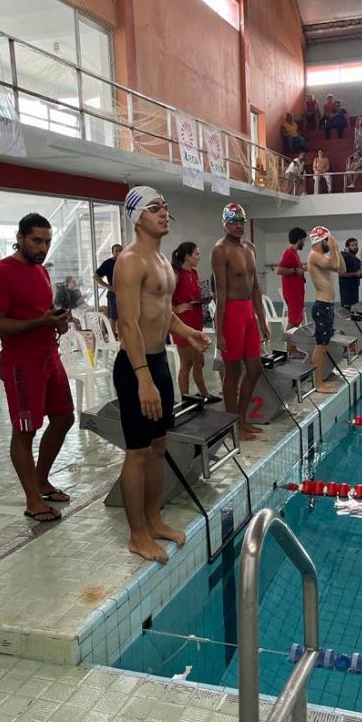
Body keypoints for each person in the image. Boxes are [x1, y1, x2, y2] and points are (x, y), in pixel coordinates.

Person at [113, 187, 211, 563]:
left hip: (158, 362)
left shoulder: (161, 262)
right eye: (154, 209)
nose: (164, 213)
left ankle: (154, 520)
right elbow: (128, 322)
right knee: (137, 453)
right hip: (136, 365)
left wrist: (188, 333)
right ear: (137, 216)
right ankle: (137, 535)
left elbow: (163, 313)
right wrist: (142, 377)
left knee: (158, 448)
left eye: (165, 208)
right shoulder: (130, 260)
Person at [0, 213, 75, 523]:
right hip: (22, 364)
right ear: (20, 237)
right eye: (37, 241)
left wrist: (56, 320)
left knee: (64, 418)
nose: (43, 248)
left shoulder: (41, 272)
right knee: (25, 431)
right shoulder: (0, 273)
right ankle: (33, 500)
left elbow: (42, 311)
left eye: (47, 242)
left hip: (49, 356)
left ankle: (42, 479)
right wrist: (40, 322)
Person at [212, 202, 269, 441]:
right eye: (233, 222)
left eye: (241, 221)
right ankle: (232, 424)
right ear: (224, 223)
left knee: (255, 368)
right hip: (231, 312)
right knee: (232, 371)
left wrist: (262, 320)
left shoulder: (250, 248)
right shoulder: (220, 249)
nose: (238, 226)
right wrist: (219, 332)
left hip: (248, 312)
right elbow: (220, 293)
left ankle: (243, 419)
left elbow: (255, 287)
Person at [171, 242, 219, 403]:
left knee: (200, 362)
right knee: (187, 363)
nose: (199, 257)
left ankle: (204, 394)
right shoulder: (175, 274)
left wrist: (203, 300)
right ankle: (185, 399)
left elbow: (193, 295)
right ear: (187, 257)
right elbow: (163, 299)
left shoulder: (194, 273)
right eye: (196, 254)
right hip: (182, 325)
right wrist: (176, 309)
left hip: (196, 322)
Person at [307, 226, 344, 394]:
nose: (329, 243)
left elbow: (341, 269)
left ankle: (317, 379)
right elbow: (333, 264)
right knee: (320, 346)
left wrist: (336, 249)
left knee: (324, 346)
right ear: (320, 241)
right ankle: (318, 383)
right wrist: (334, 248)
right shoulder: (314, 255)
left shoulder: (322, 256)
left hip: (327, 305)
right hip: (321, 305)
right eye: (327, 240)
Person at [277, 227, 307, 356]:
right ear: (299, 240)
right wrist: (295, 271)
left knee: (297, 320)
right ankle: (290, 349)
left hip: (297, 292)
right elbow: (280, 270)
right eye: (304, 240)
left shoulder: (295, 254)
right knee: (293, 321)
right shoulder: (289, 252)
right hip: (292, 293)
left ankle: (293, 346)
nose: (304, 243)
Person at [93, 243, 123, 335]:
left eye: (120, 251)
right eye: (116, 251)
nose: (118, 253)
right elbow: (95, 276)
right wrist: (107, 286)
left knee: (123, 317)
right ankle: (113, 337)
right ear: (112, 252)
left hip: (125, 293)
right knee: (113, 317)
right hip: (113, 293)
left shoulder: (126, 262)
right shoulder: (108, 263)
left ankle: (122, 338)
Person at [339, 237, 362, 309]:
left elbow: (358, 274)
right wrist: (355, 273)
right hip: (346, 290)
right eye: (352, 245)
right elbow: (341, 274)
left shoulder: (357, 260)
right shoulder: (344, 257)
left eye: (356, 245)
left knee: (354, 310)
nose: (355, 247)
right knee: (347, 311)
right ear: (347, 247)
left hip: (355, 288)